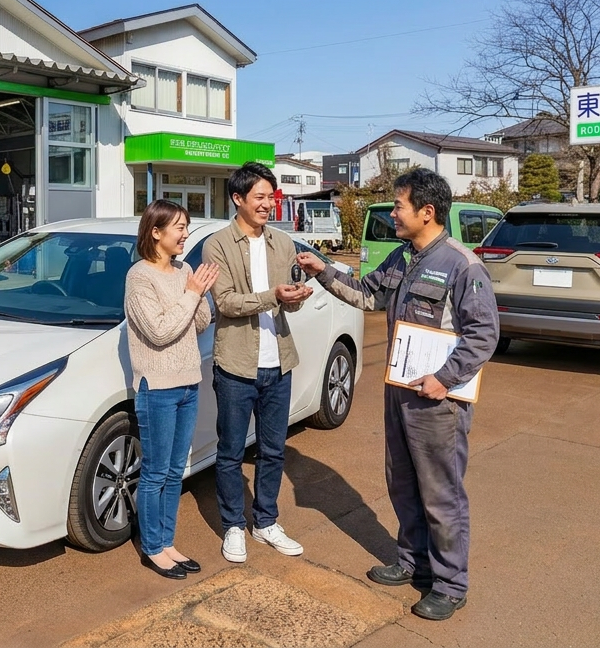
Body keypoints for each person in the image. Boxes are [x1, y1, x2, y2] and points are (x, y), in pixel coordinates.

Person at [297, 167, 498, 621]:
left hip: (438, 401)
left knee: (440, 493)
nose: (393, 213)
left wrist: (445, 377)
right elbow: (367, 295)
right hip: (401, 391)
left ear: (427, 212)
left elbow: (484, 334)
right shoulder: (404, 256)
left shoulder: (463, 266)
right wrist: (322, 270)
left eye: (399, 206)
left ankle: (449, 584)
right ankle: (413, 561)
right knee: (403, 482)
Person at [201, 162, 313, 563]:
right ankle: (233, 525)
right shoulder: (217, 245)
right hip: (236, 364)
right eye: (260, 197)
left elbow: (287, 304)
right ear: (238, 198)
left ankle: (266, 522)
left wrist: (296, 298)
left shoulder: (282, 243)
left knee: (273, 450)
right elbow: (226, 302)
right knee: (231, 452)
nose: (267, 204)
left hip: (278, 362)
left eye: (271, 197)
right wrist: (274, 296)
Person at [124, 199, 220, 580]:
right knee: (155, 472)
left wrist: (198, 291)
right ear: (155, 232)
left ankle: (167, 543)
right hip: (158, 388)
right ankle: (152, 548)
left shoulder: (184, 271)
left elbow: (200, 321)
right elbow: (160, 331)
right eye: (179, 227)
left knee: (175, 471)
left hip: (188, 383)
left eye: (186, 227)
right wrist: (192, 293)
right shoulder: (139, 277)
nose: (185, 234)